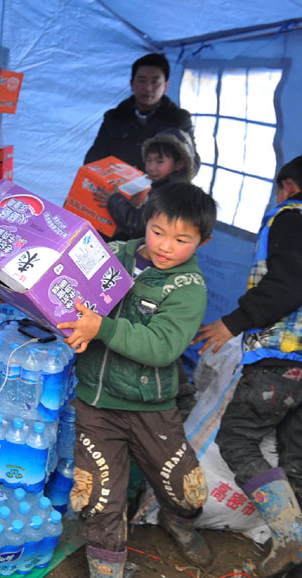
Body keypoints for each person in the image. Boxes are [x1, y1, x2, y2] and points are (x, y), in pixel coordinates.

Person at [57, 183, 217, 578]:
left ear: (203, 241)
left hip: (152, 408)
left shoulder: (188, 289)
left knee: (184, 488)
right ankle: (106, 567)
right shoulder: (114, 256)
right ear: (145, 222)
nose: (165, 246)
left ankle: (178, 520)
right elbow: (69, 287)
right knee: (97, 493)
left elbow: (163, 346)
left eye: (181, 240)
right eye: (158, 232)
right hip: (96, 403)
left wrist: (102, 328)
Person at [193, 156, 302, 578]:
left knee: (238, 438)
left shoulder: (291, 217)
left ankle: (291, 538)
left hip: (282, 360)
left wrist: (232, 322)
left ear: (288, 186)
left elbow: (290, 284)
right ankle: (290, 560)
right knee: (295, 456)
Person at [84, 53, 198, 172]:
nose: (148, 88)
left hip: (158, 189)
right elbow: (94, 158)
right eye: (142, 81)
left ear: (165, 87)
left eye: (155, 82)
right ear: (132, 84)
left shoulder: (178, 120)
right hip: (115, 188)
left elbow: (192, 165)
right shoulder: (114, 117)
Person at [94, 127, 199, 242]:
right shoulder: (166, 185)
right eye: (148, 160)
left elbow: (138, 226)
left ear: (179, 164)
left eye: (160, 161)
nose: (151, 168)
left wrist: (114, 200)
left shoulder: (169, 195)